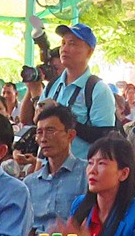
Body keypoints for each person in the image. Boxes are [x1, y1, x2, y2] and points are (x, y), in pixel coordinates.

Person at [40, 23, 116, 161]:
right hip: (49, 168)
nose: (65, 49)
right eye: (63, 43)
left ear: (89, 51)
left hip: (83, 171)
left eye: (72, 44)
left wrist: (62, 115)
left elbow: (104, 137)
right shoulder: (52, 86)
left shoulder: (98, 89)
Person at [21, 102, 86, 236]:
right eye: (39, 132)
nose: (43, 139)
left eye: (50, 131)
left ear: (70, 135)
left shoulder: (87, 175)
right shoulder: (30, 183)